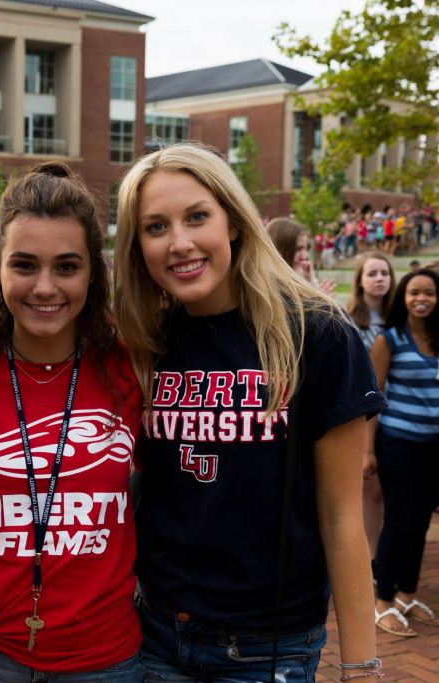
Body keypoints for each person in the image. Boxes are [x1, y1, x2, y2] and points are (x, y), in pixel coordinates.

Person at [113, 143, 383, 681]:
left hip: (266, 648)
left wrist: (361, 664)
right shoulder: (146, 338)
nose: (180, 243)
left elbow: (341, 514)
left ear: (233, 222)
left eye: (196, 217)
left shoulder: (318, 332)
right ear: (137, 245)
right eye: (155, 227)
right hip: (155, 632)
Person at [0, 162, 143, 681]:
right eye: (25, 265)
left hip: (105, 659)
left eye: (67, 267)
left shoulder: (133, 371)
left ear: (92, 273)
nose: (45, 287)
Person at [367, 269, 439, 638]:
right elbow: (373, 399)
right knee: (398, 520)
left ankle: (407, 595)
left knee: (421, 522)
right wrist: (368, 452)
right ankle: (383, 603)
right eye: (414, 293)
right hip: (398, 443)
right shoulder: (389, 339)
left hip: (434, 446)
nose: (421, 299)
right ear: (404, 298)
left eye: (429, 292)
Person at [348, 251, 395, 558]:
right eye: (372, 273)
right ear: (360, 281)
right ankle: (370, 557)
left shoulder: (400, 319)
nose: (379, 279)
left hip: (396, 409)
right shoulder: (350, 320)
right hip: (365, 413)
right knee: (369, 488)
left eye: (384, 273)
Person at [267, 217, 336, 296]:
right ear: (279, 249)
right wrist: (317, 298)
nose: (304, 256)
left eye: (307, 249)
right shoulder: (268, 287)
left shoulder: (294, 284)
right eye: (298, 249)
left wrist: (310, 284)